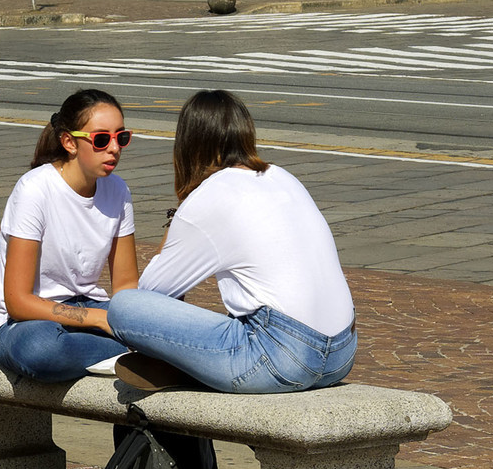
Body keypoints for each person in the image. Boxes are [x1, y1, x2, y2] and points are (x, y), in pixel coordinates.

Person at [104, 90, 356, 393]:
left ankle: (186, 366)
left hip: (281, 358)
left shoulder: (211, 194)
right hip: (343, 352)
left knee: (124, 306)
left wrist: (180, 214)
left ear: (188, 143)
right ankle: (192, 366)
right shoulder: (282, 176)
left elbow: (152, 294)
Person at [0, 86, 139, 383]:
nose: (115, 148)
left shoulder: (118, 190)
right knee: (41, 350)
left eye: (121, 137)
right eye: (101, 139)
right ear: (69, 142)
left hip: (92, 308)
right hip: (28, 321)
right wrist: (100, 320)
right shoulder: (35, 189)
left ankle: (131, 351)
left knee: (163, 325)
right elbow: (18, 301)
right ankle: (133, 353)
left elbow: (126, 285)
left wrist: (136, 320)